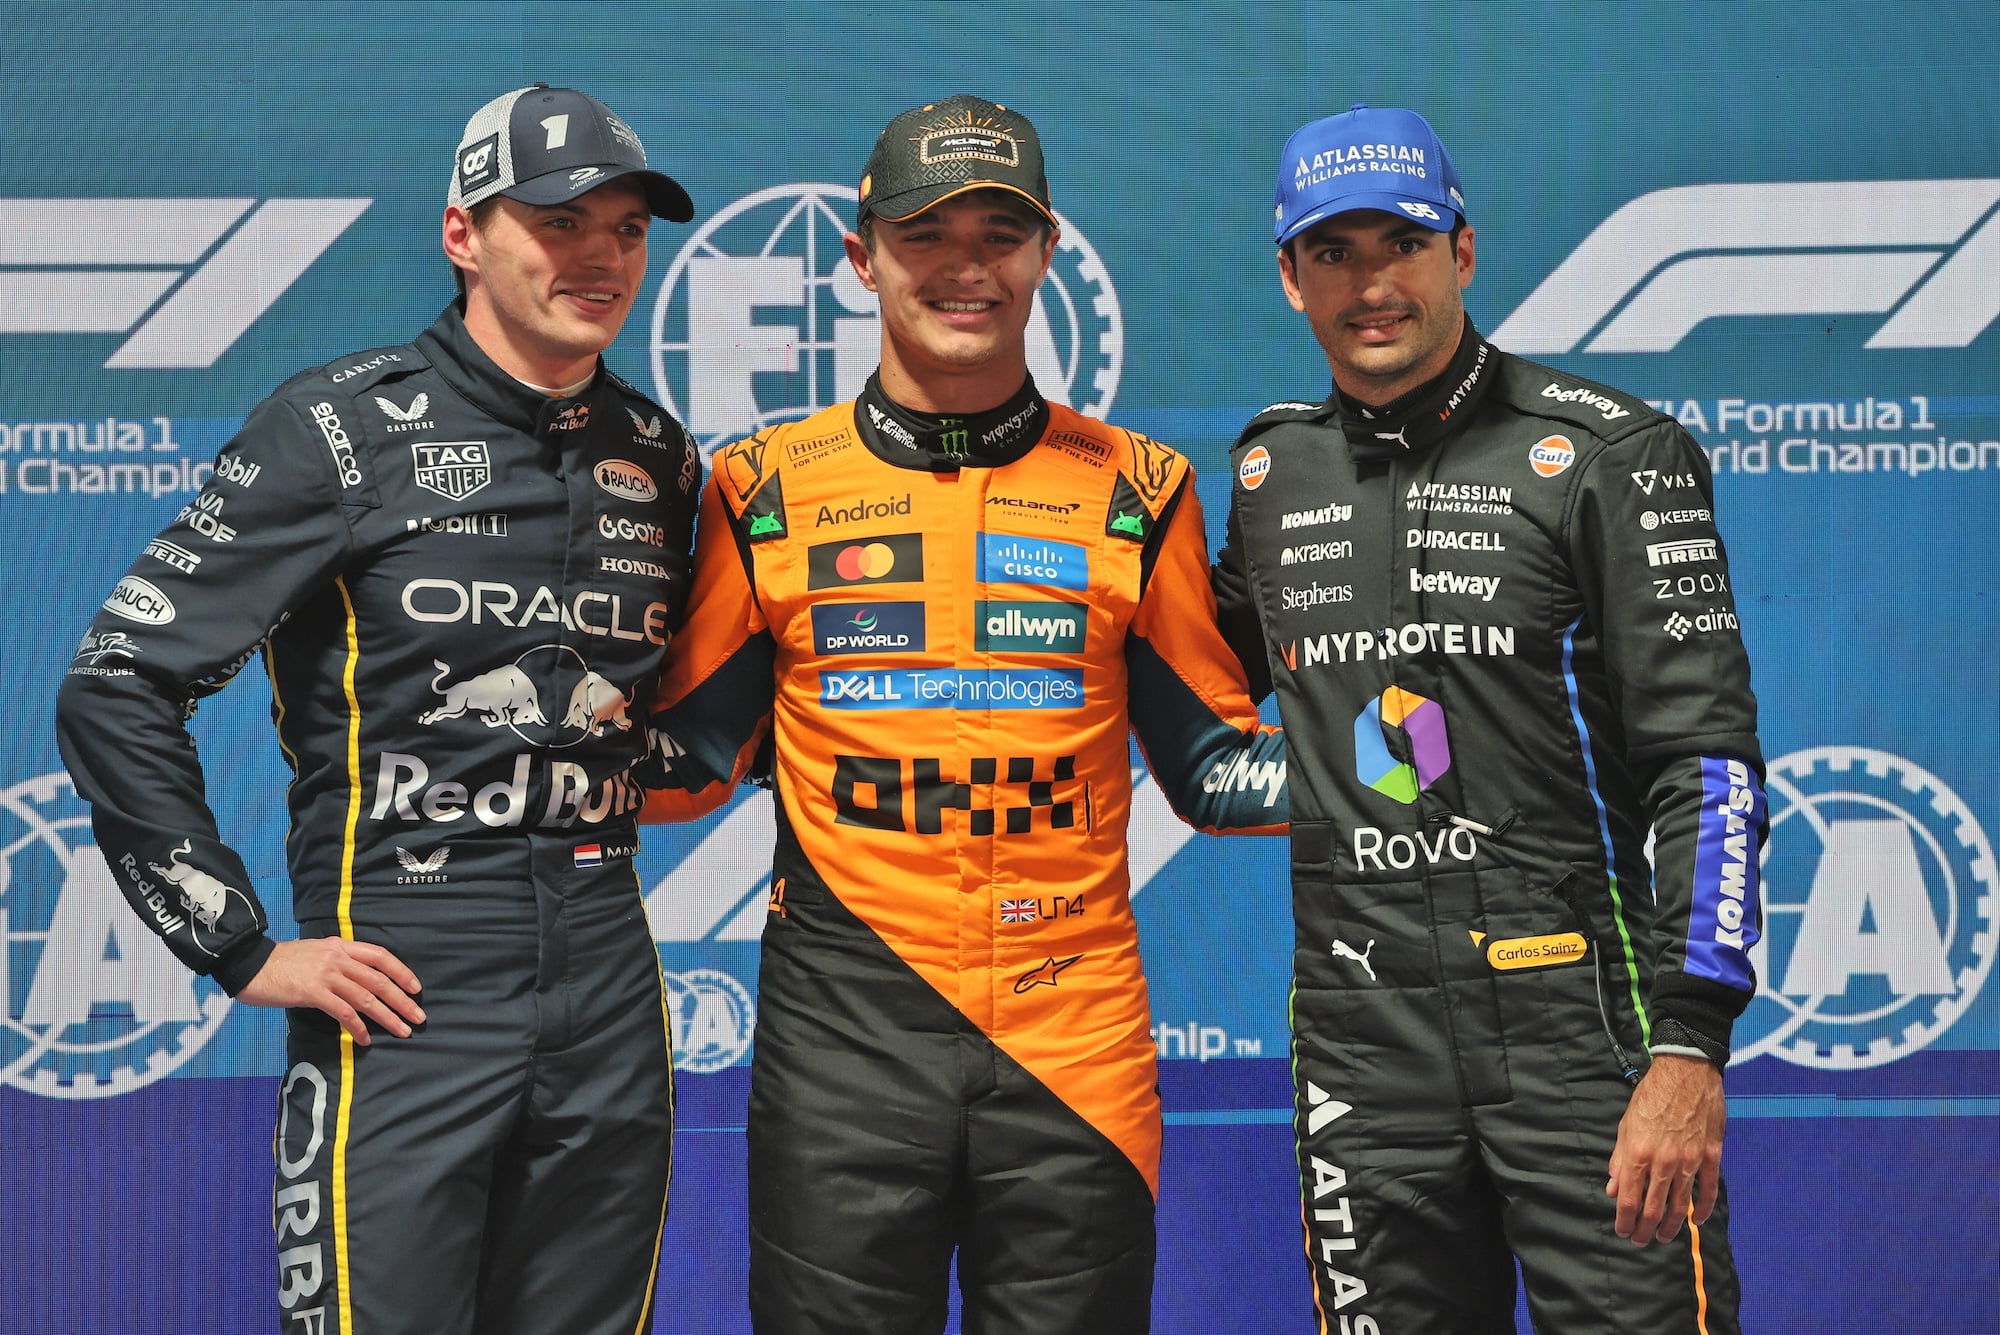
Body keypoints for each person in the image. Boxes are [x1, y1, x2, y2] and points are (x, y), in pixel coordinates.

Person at [54, 84, 700, 1335]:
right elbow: (118, 681)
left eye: (626, 228)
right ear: (464, 234)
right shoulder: (340, 428)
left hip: (611, 976)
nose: (601, 256)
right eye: (560, 221)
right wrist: (235, 946)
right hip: (406, 974)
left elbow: (676, 714)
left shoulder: (660, 454)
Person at [641, 94, 1288, 1334]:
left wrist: (1430, 760)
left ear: (1047, 254)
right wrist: (519, 739)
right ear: (860, 253)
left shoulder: (1141, 488)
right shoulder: (760, 485)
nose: (964, 267)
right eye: (926, 232)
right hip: (842, 1055)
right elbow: (693, 765)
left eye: (999, 231)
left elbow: (1213, 770)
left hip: (1074, 1052)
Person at [1211, 104, 1765, 1333]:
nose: (1371, 285)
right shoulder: (1267, 474)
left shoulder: (1608, 452)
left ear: (1459, 252)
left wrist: (1688, 1047)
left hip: (1584, 1034)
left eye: (1399, 244)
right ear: (1288, 276)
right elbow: (1175, 696)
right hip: (1359, 1045)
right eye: (1333, 252)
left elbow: (1706, 768)